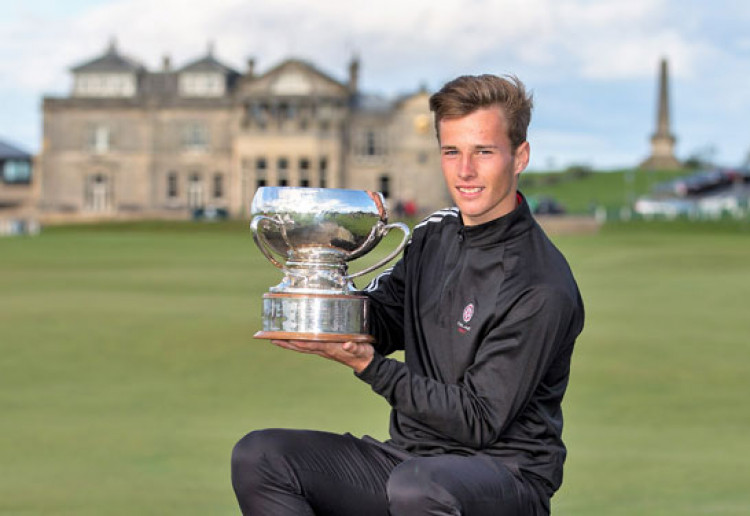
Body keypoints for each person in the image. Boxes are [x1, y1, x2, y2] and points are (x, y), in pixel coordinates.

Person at [231, 74, 585, 515]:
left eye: (484, 152)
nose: (465, 170)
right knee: (261, 458)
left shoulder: (540, 285)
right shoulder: (433, 235)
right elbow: (384, 319)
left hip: (505, 477)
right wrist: (322, 307)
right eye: (452, 151)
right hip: (409, 461)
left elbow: (477, 421)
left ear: (520, 157)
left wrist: (367, 365)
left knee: (419, 489)